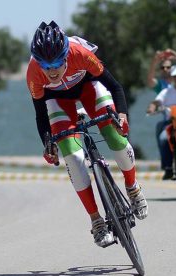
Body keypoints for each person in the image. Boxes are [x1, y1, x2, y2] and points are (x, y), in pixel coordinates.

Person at [26, 21, 148, 248]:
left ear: (66, 56)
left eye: (56, 64)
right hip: (57, 101)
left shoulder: (80, 54)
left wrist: (121, 115)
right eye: (46, 65)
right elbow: (40, 113)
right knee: (72, 158)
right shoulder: (33, 73)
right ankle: (96, 221)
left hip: (89, 87)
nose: (51, 71)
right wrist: (48, 143)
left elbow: (116, 87)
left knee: (115, 137)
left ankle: (132, 188)